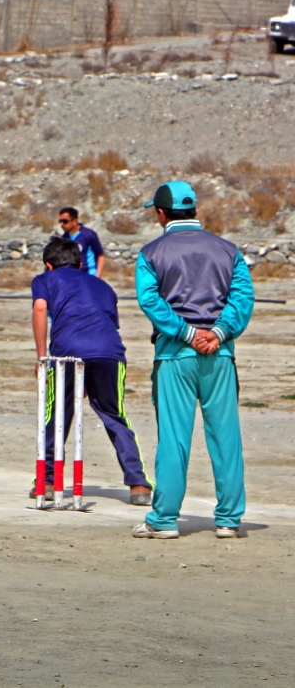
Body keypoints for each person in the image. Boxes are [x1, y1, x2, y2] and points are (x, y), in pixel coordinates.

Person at [132, 181, 253, 540]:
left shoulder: (151, 252)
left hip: (174, 355)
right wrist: (217, 333)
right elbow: (243, 298)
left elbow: (150, 301)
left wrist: (186, 333)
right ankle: (229, 520)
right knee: (226, 437)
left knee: (173, 438)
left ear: (161, 212)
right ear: (194, 210)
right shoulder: (228, 250)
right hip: (220, 355)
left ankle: (165, 519)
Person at [31, 236, 151, 505]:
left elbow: (40, 308)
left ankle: (48, 480)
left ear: (48, 265)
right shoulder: (103, 286)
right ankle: (138, 483)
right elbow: (109, 323)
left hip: (67, 353)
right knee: (114, 414)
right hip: (110, 352)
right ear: (79, 263)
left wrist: (42, 357)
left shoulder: (44, 280)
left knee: (57, 413)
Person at [58, 207, 106, 277]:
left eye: (65, 221)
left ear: (74, 221)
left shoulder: (89, 235)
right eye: (60, 221)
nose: (62, 224)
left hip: (89, 277)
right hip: (73, 278)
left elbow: (101, 256)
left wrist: (97, 277)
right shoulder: (64, 237)